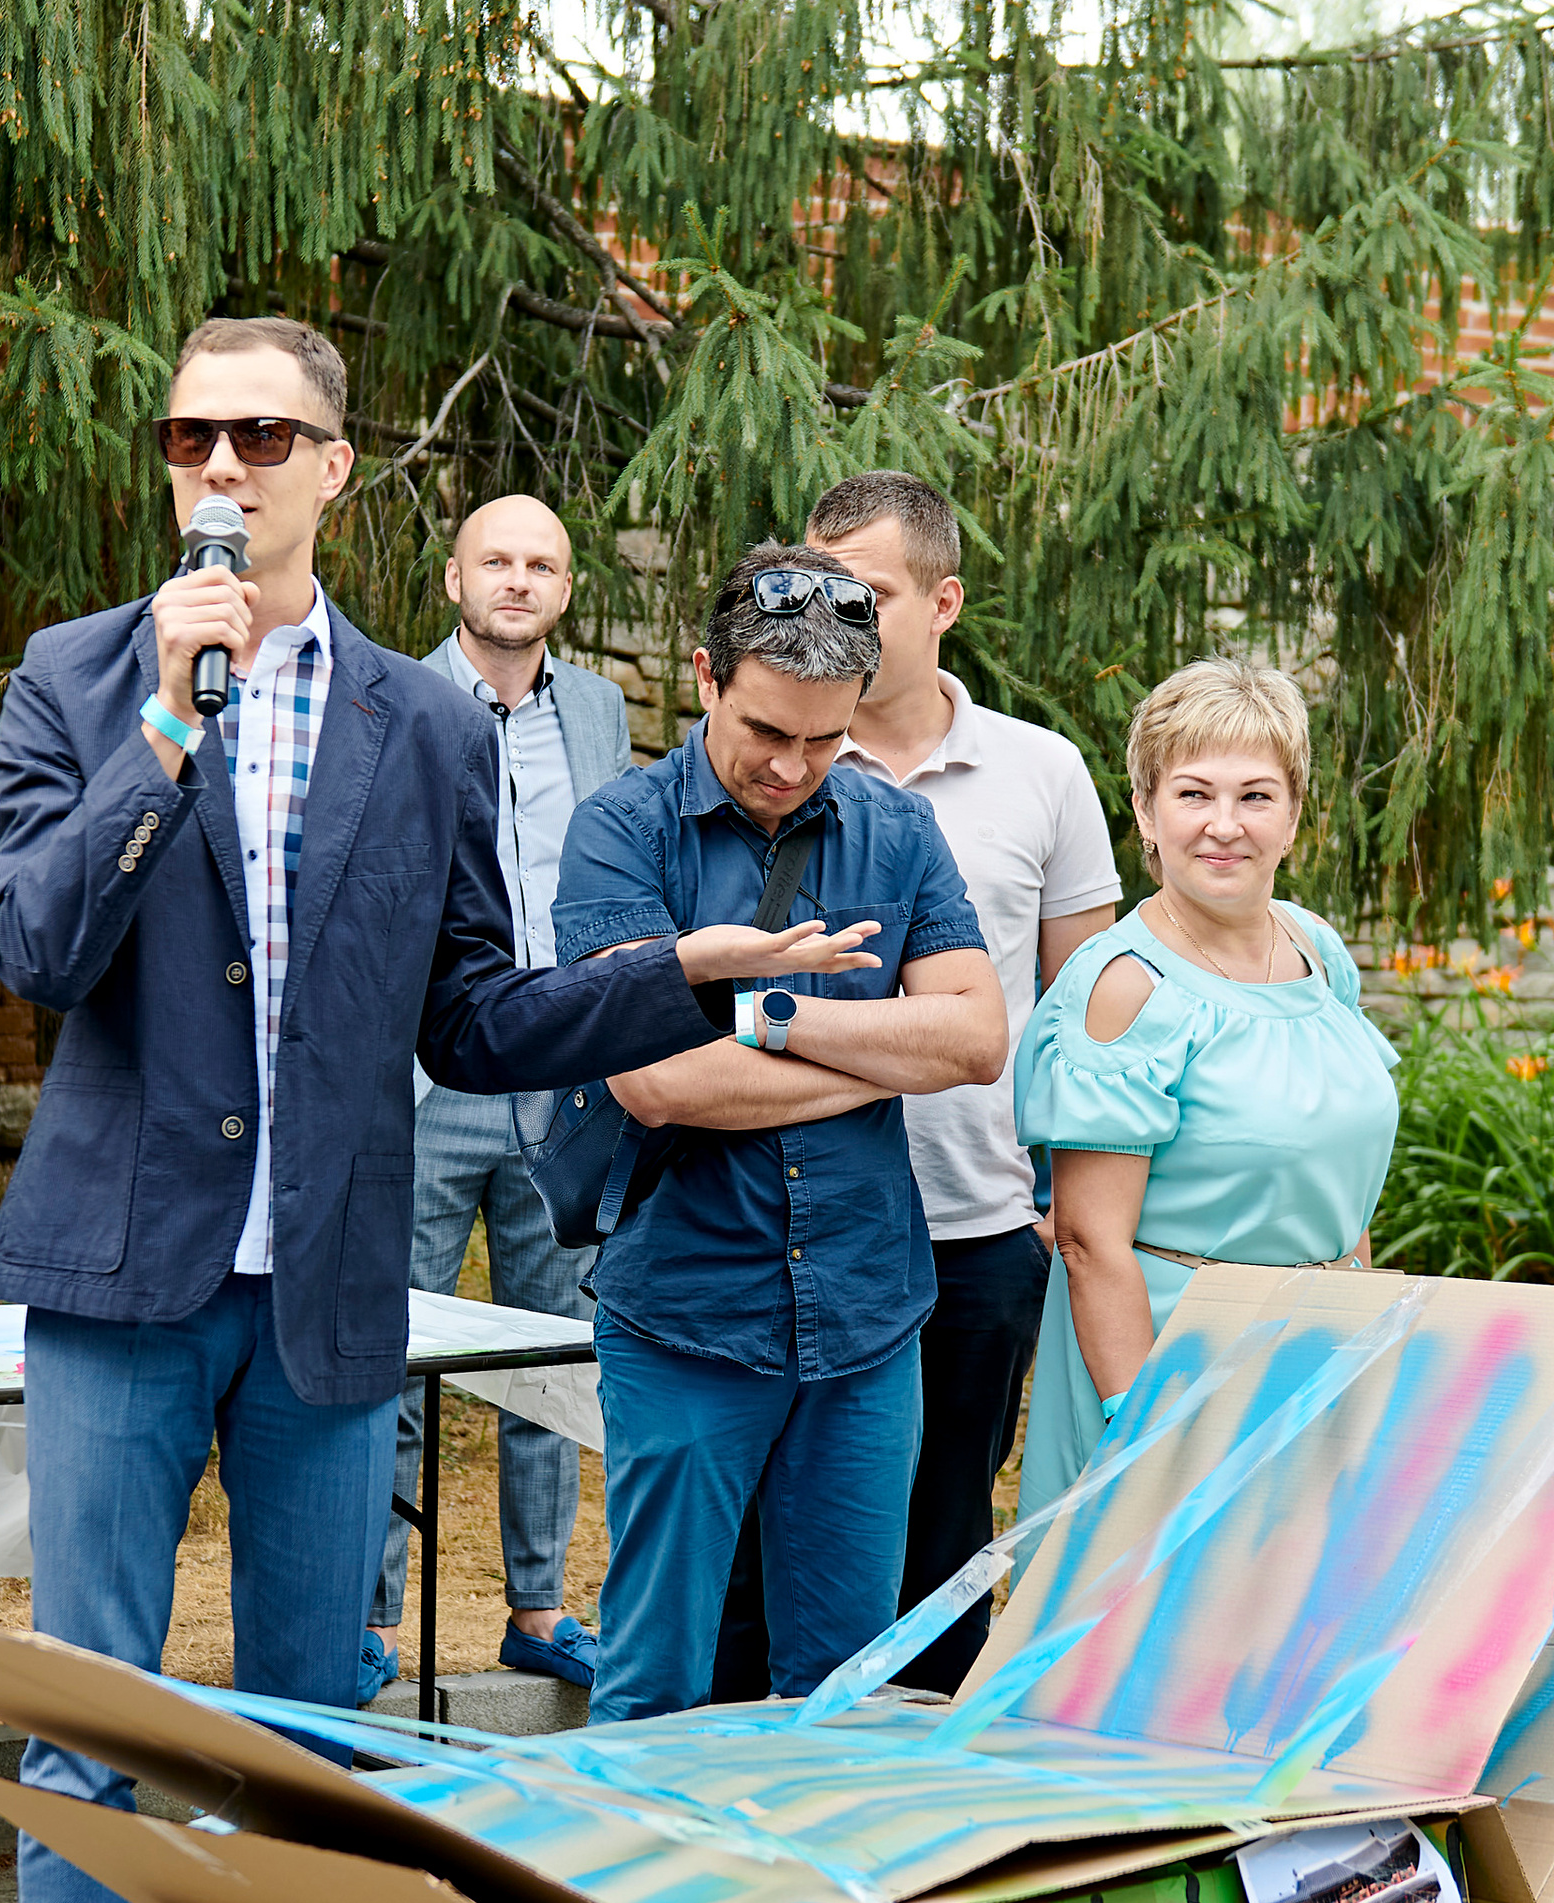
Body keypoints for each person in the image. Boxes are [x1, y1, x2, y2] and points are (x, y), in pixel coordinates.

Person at [0, 320, 874, 1903]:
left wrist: (673, 976)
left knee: (315, 1733)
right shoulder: (74, 676)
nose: (220, 461)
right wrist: (164, 737)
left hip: (323, 1297)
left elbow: (472, 1016)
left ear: (332, 465)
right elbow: (35, 943)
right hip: (119, 1283)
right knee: (94, 1728)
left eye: (261, 432)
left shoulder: (421, 724)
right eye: (191, 430)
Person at [552, 544, 1007, 1720]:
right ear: (705, 676)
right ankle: (625, 1900)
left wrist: (767, 1015)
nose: (791, 767)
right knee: (656, 1672)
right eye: (766, 731)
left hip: (866, 1319)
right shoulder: (619, 831)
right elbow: (655, 1082)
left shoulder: (896, 832)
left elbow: (973, 1043)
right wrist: (872, 1053)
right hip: (685, 1315)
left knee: (841, 1690)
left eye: (824, 740)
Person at [806, 469, 1121, 1677]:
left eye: (869, 593)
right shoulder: (781, 756)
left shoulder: (1040, 773)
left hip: (976, 1225)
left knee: (941, 1549)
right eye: (821, 586)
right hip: (799, 1220)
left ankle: (921, 1821)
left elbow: (1085, 1013)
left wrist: (1061, 1201)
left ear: (941, 602)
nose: (838, 616)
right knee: (787, 1549)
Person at [1012, 658, 1400, 1508]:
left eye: (1256, 796)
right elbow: (1088, 1243)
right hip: (1174, 1371)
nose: (1224, 824)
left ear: (1295, 817)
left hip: (1315, 1359)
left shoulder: (1316, 951)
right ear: (1146, 813)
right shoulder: (1124, 987)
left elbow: (1345, 1194)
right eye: (1193, 794)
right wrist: (1145, 1427)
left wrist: (1361, 1358)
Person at [361, 495, 628, 1695]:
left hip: (558, 1080)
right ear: (454, 581)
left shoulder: (602, 713)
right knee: (391, 1352)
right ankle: (368, 1622)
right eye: (496, 562)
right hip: (424, 1079)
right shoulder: (395, 701)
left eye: (541, 565)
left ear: (564, 590)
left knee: (548, 1360)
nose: (517, 581)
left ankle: (537, 1607)